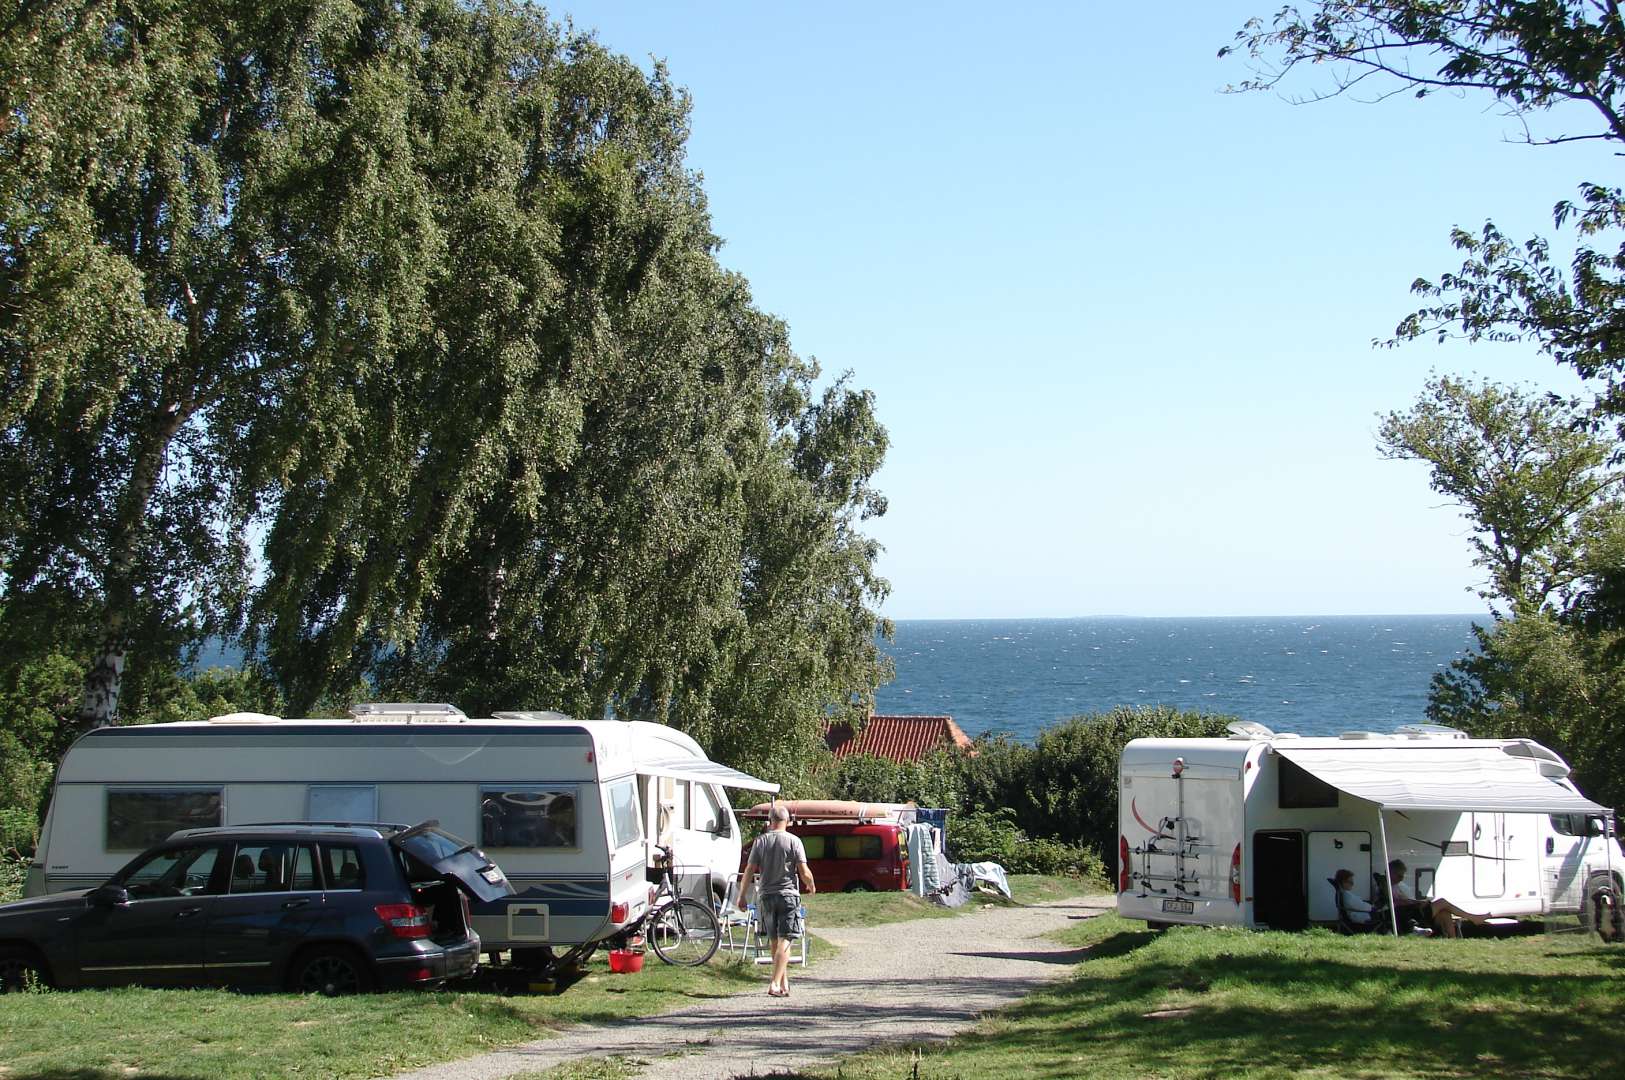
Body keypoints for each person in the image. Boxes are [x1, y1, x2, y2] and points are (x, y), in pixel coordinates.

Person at [735, 804, 815, 998]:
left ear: (769, 821)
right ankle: (774, 983)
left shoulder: (760, 842)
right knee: (785, 939)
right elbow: (803, 871)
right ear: (787, 821)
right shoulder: (794, 841)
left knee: (774, 940)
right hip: (788, 895)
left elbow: (749, 869)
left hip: (766, 896)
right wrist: (811, 884)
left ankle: (783, 982)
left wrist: (742, 895)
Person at [1388, 859, 1488, 939]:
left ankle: (1453, 940)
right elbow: (1396, 902)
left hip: (1413, 911)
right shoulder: (1388, 886)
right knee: (1442, 902)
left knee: (1444, 911)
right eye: (1399, 875)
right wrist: (1417, 903)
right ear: (1391, 873)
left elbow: (1405, 900)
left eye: (1402, 876)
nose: (1401, 878)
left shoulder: (1397, 886)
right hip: (1410, 914)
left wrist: (1418, 902)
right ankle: (1473, 918)